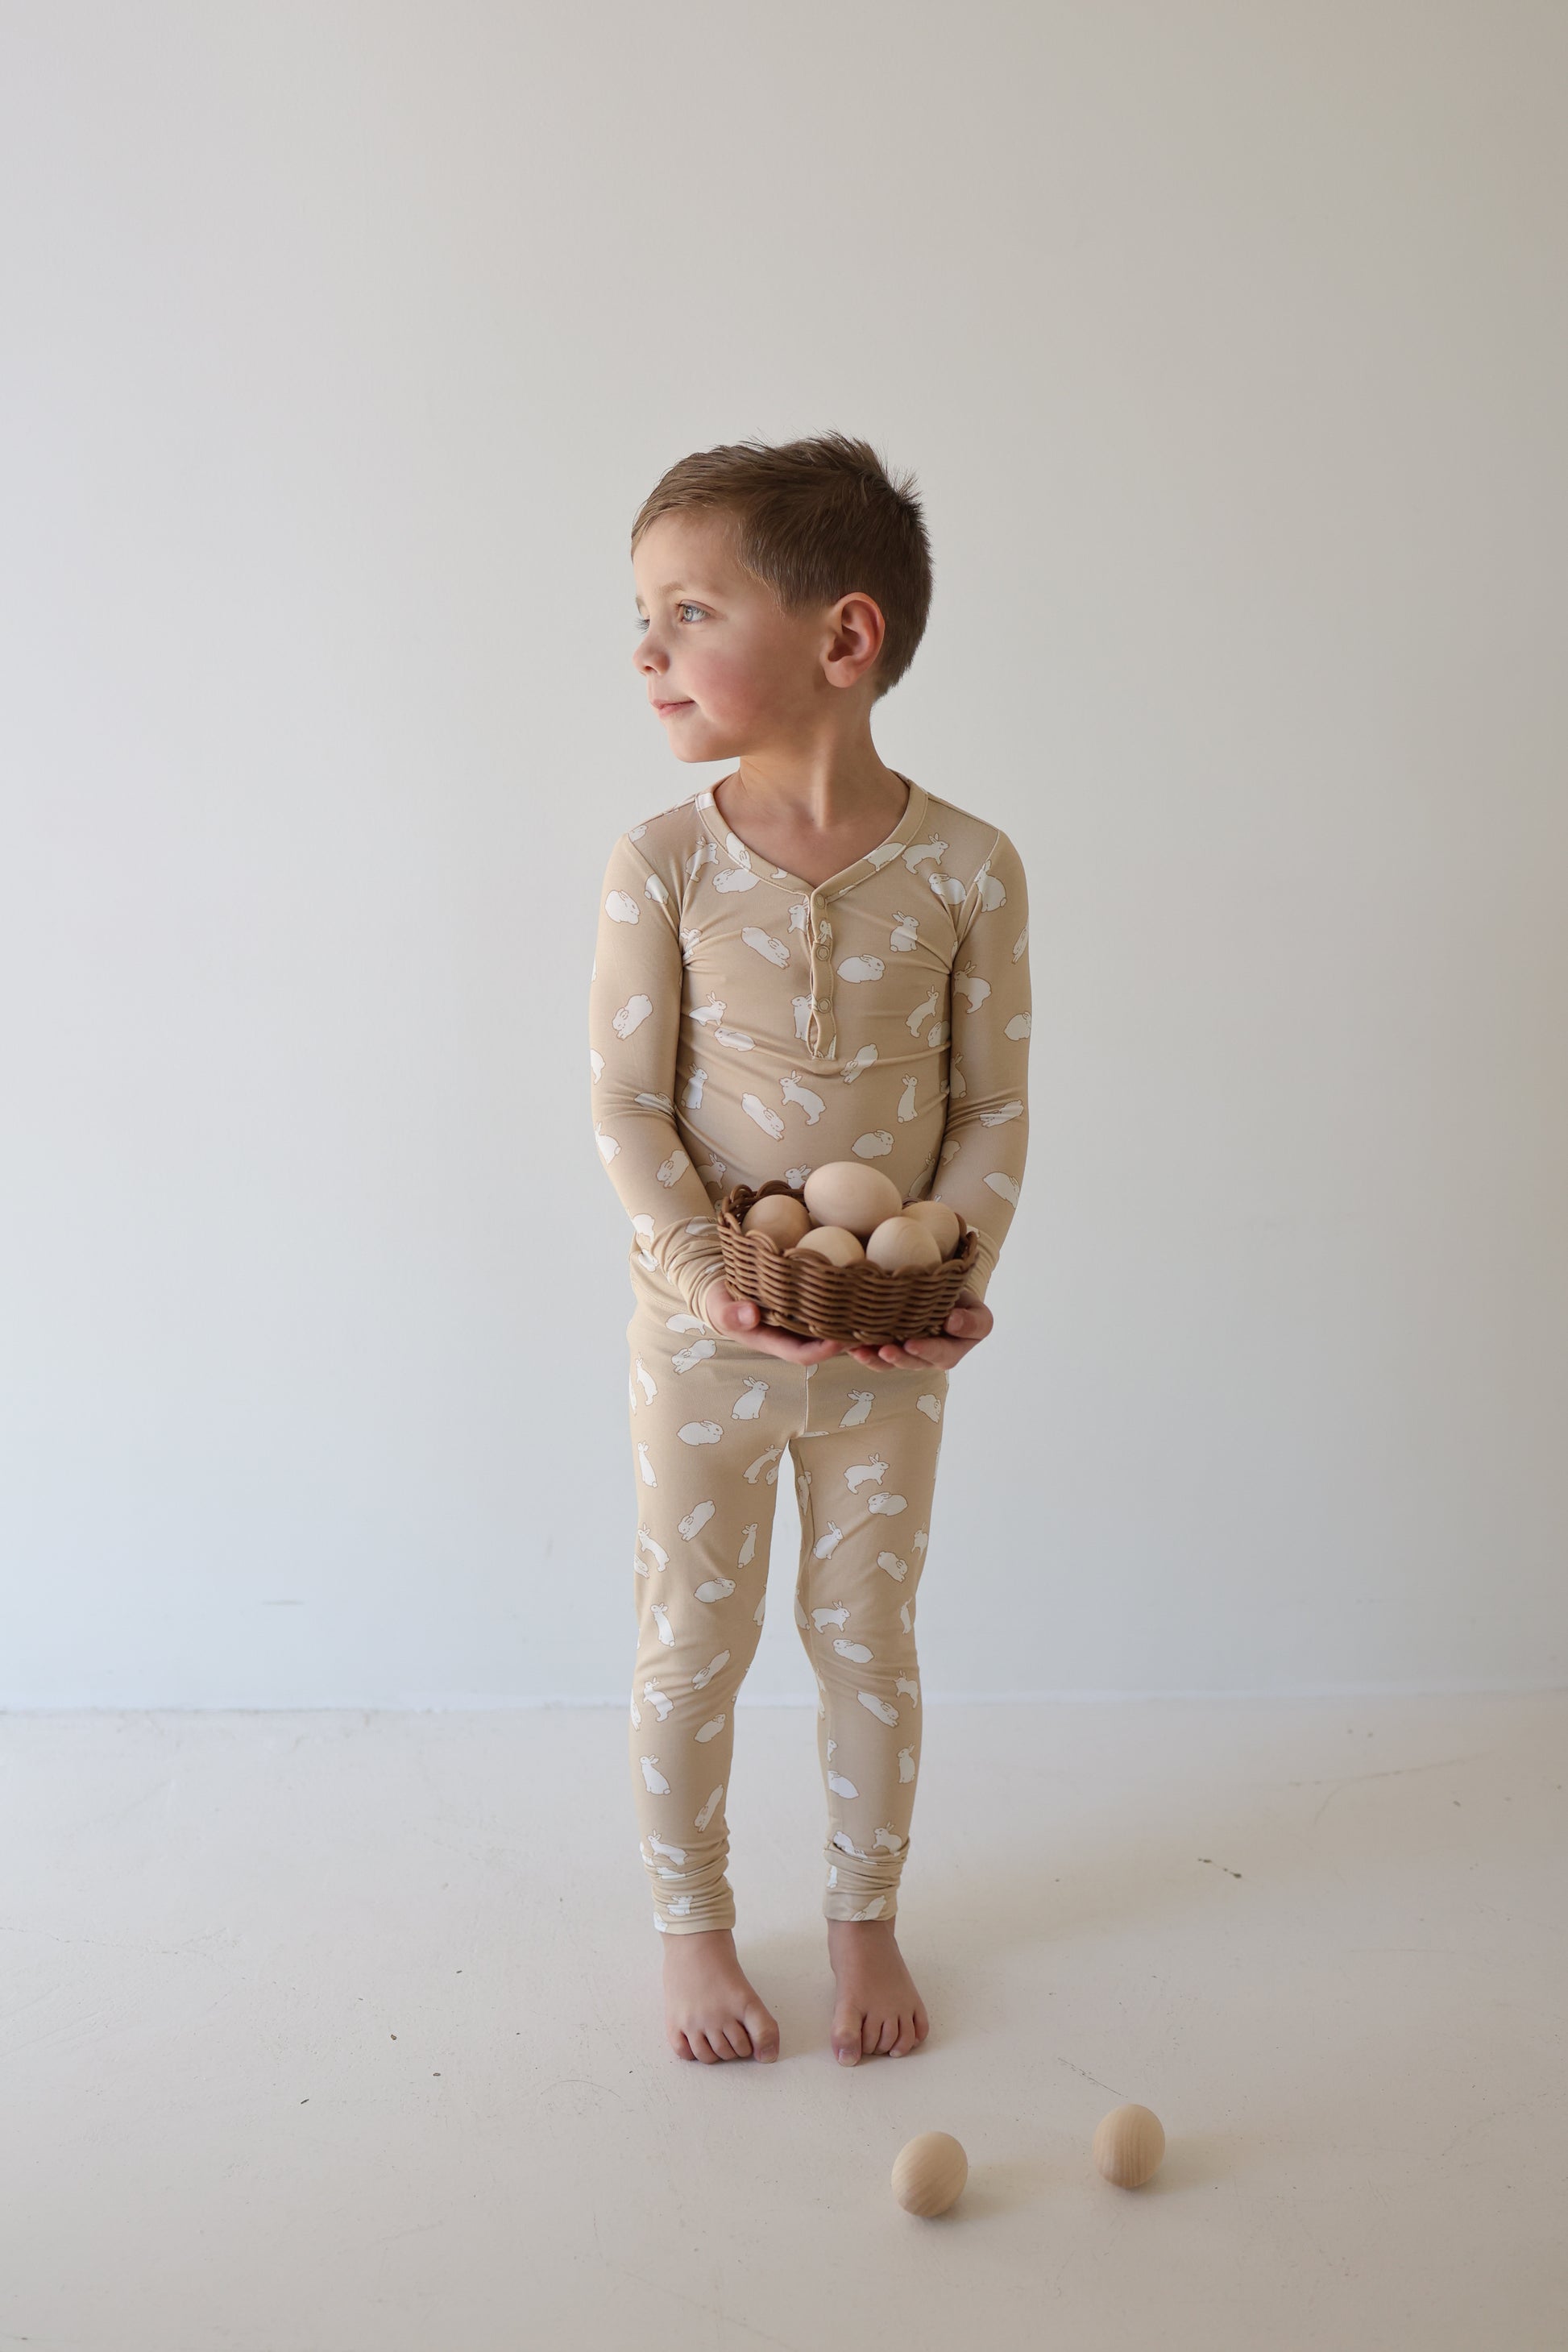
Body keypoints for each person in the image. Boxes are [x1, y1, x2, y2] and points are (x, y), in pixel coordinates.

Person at [588, 433, 1031, 2068]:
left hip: (879, 1346)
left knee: (864, 1634)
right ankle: (691, 1927)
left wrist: (954, 1268)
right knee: (691, 1634)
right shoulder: (666, 860)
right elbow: (629, 1108)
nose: (645, 650)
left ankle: (863, 1910)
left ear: (844, 640)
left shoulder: (969, 865)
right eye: (641, 614)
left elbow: (990, 1104)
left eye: (687, 610)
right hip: (705, 1342)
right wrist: (716, 1281)